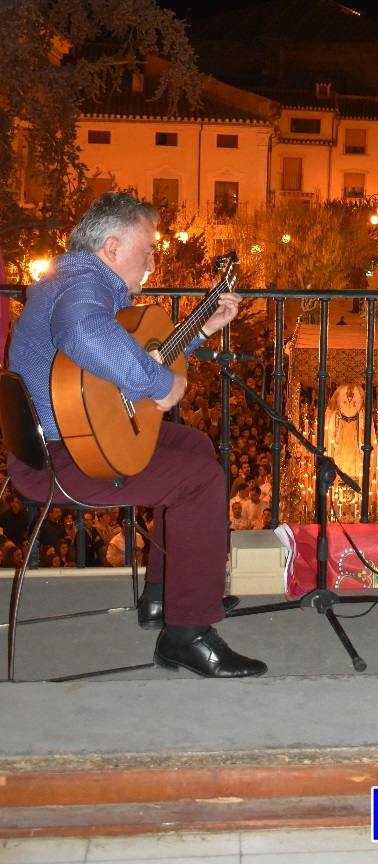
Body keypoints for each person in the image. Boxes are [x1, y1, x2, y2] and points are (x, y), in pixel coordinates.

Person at [7, 191, 266, 678]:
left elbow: (131, 352)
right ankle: (187, 635)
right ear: (111, 248)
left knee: (196, 447)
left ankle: (166, 595)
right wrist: (163, 386)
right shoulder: (82, 290)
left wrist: (202, 330)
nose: (151, 260)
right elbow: (85, 334)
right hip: (61, 461)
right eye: (146, 249)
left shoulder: (72, 278)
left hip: (71, 438)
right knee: (200, 480)